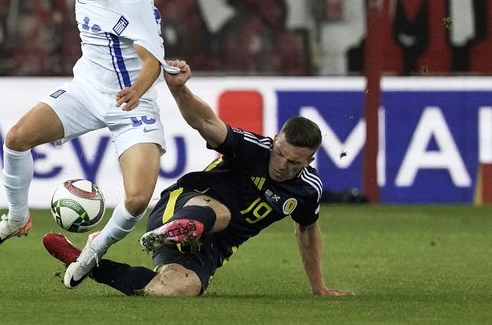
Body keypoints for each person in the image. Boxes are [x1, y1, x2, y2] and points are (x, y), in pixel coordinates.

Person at [0, 0, 180, 290]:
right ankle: (16, 218)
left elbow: (153, 63)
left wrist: (135, 90)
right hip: (86, 90)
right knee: (16, 138)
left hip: (130, 102)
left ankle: (92, 251)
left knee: (136, 199)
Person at [43, 59, 355, 297]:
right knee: (220, 212)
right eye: (280, 153)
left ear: (310, 160)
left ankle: (85, 262)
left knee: (177, 289)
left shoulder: (307, 190)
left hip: (211, 249)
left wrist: (319, 288)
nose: (282, 165)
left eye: (293, 162)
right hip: (183, 203)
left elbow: (307, 233)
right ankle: (178, 228)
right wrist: (179, 88)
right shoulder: (253, 149)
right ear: (275, 140)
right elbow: (206, 122)